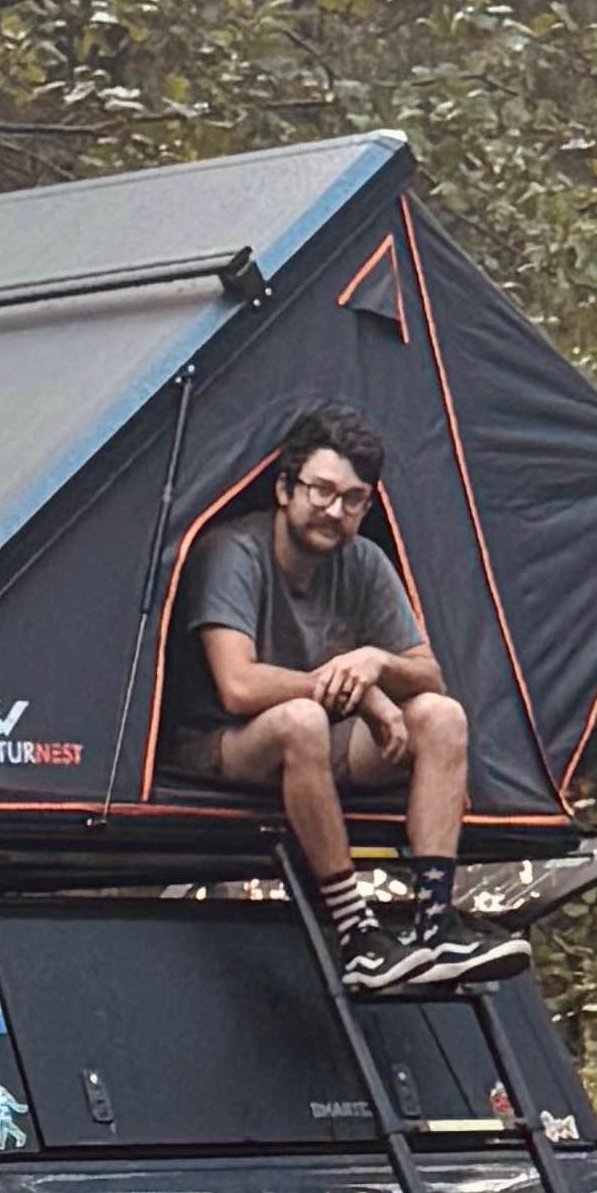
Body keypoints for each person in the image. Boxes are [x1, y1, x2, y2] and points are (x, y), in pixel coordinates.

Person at [160, 410, 518, 993]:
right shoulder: (234, 553)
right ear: (284, 488)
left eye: (353, 500)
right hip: (223, 742)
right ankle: (356, 933)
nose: (335, 511)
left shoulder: (364, 563)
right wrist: (369, 698)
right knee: (300, 719)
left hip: (317, 747)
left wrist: (378, 663)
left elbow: (430, 676)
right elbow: (239, 686)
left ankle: (435, 923)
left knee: (440, 717)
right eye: (322, 491)